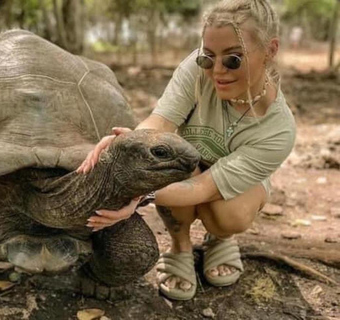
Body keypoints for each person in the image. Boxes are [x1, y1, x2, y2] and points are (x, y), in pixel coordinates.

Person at [76, 0, 296, 300]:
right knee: (163, 165)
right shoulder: (196, 68)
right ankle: (180, 245)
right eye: (208, 58)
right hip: (183, 164)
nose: (216, 71)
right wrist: (127, 148)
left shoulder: (279, 130)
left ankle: (220, 239)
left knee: (229, 214)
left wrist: (140, 196)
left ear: (270, 50)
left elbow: (207, 186)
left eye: (233, 59)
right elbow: (161, 122)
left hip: (229, 188)